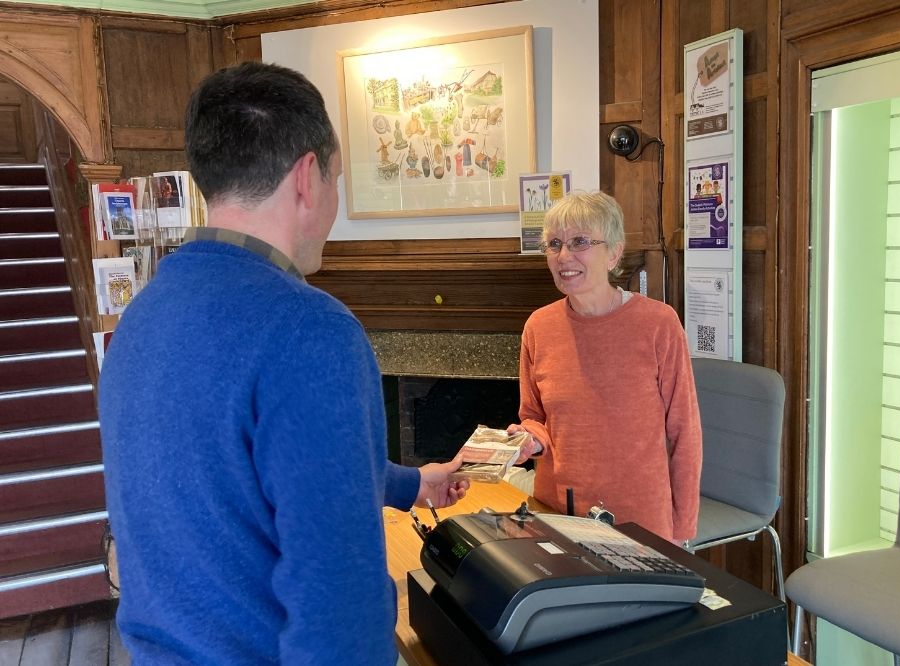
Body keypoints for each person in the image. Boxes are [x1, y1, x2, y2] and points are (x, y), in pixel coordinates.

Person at [99, 61, 468, 665]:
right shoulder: (310, 330)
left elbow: (232, 480)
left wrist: (408, 483)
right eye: (337, 178)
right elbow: (337, 611)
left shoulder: (140, 319)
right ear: (307, 177)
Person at [507, 191, 702, 545]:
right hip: (558, 513)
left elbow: (685, 434)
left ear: (614, 253)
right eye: (554, 243)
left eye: (580, 241)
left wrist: (682, 530)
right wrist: (528, 440)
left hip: (639, 519)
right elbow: (533, 416)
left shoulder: (659, 324)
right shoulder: (538, 326)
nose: (564, 256)